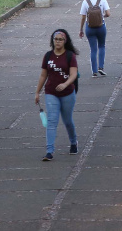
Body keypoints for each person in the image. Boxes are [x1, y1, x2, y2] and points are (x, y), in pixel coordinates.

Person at [34, 29, 79, 161]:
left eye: (60, 39)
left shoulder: (70, 56)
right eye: (56, 39)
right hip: (51, 92)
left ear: (65, 41)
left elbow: (73, 74)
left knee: (67, 121)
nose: (58, 42)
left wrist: (65, 84)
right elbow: (43, 75)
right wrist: (37, 92)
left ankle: (73, 142)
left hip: (67, 93)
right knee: (52, 121)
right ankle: (49, 151)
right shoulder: (48, 56)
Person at [79, 0, 111, 77]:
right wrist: (102, 16)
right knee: (101, 46)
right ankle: (101, 67)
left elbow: (83, 17)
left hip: (89, 28)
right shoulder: (103, 0)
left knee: (93, 49)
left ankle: (94, 71)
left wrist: (81, 29)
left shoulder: (85, 2)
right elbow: (108, 13)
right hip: (101, 27)